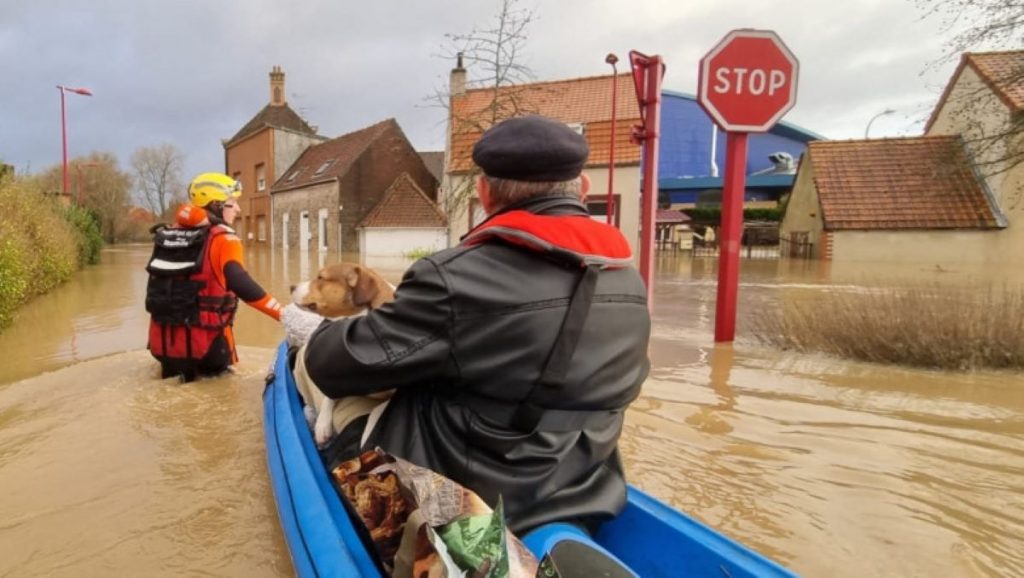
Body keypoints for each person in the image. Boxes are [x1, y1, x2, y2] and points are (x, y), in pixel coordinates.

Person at [293, 115, 651, 534]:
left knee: (309, 370)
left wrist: (316, 333)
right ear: (583, 189)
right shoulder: (629, 278)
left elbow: (331, 364)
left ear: (484, 193)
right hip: (584, 486)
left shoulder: (452, 276)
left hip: (467, 497)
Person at [146, 172, 283, 382]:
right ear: (216, 205)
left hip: (165, 345)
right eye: (233, 203)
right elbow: (240, 283)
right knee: (224, 397)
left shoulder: (168, 235)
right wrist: (284, 314)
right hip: (209, 346)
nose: (238, 209)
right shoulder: (224, 239)